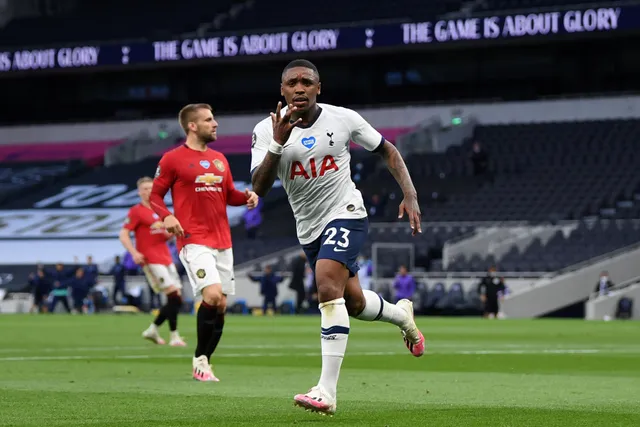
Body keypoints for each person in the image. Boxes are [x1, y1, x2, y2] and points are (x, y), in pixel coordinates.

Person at [250, 59, 425, 415]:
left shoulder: (343, 118)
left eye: (306, 82)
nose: (299, 88)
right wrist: (278, 144)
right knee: (355, 303)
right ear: (282, 90)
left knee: (327, 287)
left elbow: (388, 150)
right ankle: (402, 316)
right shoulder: (266, 130)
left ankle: (326, 392)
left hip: (347, 213)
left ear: (318, 88)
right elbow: (259, 187)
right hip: (310, 228)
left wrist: (410, 194)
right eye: (292, 83)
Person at [150, 103, 259, 382]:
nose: (216, 124)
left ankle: (204, 361)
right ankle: (200, 359)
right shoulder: (172, 159)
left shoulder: (220, 159)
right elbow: (155, 197)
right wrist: (166, 217)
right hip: (193, 239)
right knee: (211, 296)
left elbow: (229, 194)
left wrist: (246, 196)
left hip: (223, 240)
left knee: (221, 304)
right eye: (209, 120)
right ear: (192, 126)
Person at [119, 176, 186, 347]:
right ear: (139, 192)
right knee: (173, 295)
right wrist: (134, 252)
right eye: (145, 189)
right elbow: (124, 234)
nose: (148, 191)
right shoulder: (136, 211)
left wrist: (170, 231)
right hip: (150, 259)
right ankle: (173, 335)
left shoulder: (161, 210)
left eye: (151, 188)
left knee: (176, 297)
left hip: (165, 257)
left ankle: (157, 331)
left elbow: (168, 234)